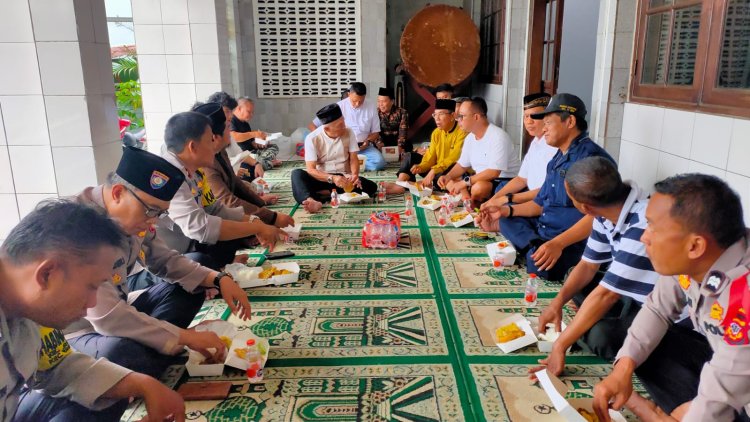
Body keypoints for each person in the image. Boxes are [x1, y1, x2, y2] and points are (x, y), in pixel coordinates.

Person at [64, 146, 252, 381]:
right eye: (150, 211)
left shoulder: (132, 216)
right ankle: (154, 353)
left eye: (159, 214)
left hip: (121, 306)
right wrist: (185, 337)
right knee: (122, 354)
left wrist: (218, 278)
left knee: (194, 277)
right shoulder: (77, 227)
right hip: (79, 331)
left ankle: (156, 350)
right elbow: (108, 317)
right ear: (118, 193)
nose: (152, 221)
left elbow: (165, 260)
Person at [2, 200, 185, 422]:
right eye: (91, 286)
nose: (92, 303)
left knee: (101, 390)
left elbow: (59, 367)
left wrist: (143, 384)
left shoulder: (28, 309)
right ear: (47, 274)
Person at [593, 174, 750, 422]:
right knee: (635, 344)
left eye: (653, 227)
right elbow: (658, 309)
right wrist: (623, 368)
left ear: (695, 246)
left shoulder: (745, 296)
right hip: (730, 363)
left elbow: (730, 382)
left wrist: (703, 408)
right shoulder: (696, 261)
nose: (645, 236)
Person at [528, 157, 663, 379]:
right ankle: (588, 320)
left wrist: (560, 346)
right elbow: (588, 265)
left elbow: (607, 295)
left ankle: (591, 326)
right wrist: (557, 303)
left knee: (601, 336)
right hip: (625, 292)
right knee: (575, 275)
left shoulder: (642, 222)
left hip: (655, 308)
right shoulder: (605, 212)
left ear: (584, 207)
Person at [480, 93, 615, 281]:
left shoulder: (591, 161)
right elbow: (539, 204)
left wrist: (558, 244)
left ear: (570, 122)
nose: (544, 130)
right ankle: (536, 249)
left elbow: (599, 216)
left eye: (549, 123)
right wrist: (504, 211)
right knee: (506, 221)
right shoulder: (558, 157)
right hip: (545, 228)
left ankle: (536, 251)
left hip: (572, 239)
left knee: (540, 268)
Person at [157, 111, 286, 269]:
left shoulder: (194, 171)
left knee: (231, 229)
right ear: (193, 146)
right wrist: (257, 227)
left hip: (190, 243)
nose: (215, 144)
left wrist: (256, 221)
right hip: (167, 257)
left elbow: (214, 208)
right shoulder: (170, 177)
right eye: (210, 140)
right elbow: (200, 228)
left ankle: (219, 266)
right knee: (202, 258)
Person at [193, 102, 294, 229]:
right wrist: (271, 218)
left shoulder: (220, 150)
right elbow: (228, 203)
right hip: (215, 226)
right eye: (228, 127)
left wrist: (260, 201)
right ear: (214, 137)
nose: (230, 132)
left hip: (227, 215)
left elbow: (235, 182)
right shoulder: (205, 165)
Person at [480, 93, 557, 218]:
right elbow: (521, 179)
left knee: (503, 215)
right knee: (497, 199)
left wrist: (506, 199)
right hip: (528, 194)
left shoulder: (555, 147)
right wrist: (492, 200)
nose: (528, 121)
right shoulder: (536, 142)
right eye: (526, 116)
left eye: (534, 116)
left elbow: (545, 192)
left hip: (542, 202)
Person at [437, 96, 521, 209]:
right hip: (480, 179)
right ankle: (469, 201)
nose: (458, 120)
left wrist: (465, 182)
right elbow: (462, 165)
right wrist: (447, 176)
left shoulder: (498, 136)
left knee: (478, 187)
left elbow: (493, 173)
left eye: (461, 116)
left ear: (476, 117)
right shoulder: (470, 138)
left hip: (503, 182)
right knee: (450, 180)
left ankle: (476, 202)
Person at [292, 103, 378, 213]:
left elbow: (353, 158)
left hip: (344, 178)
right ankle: (311, 200)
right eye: (340, 125)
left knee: (371, 187)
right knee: (297, 174)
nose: (344, 126)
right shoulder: (312, 138)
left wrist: (355, 175)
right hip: (322, 177)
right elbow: (311, 170)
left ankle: (324, 194)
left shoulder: (349, 132)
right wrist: (332, 178)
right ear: (327, 128)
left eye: (343, 122)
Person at [389, 99, 467, 194]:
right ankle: (401, 185)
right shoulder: (436, 133)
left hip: (449, 171)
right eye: (435, 115)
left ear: (453, 116)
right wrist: (421, 167)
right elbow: (430, 156)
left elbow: (455, 157)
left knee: (448, 173)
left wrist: (433, 171)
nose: (437, 118)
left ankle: (431, 184)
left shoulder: (462, 132)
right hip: (436, 169)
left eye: (441, 114)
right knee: (410, 156)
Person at [308, 82, 386, 171]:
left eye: (361, 101)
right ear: (349, 94)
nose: (357, 104)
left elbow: (375, 132)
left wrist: (368, 141)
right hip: (342, 147)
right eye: (354, 101)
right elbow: (312, 125)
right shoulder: (338, 107)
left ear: (365, 96)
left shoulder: (371, 107)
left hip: (364, 147)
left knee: (380, 163)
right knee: (329, 162)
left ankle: (350, 164)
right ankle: (354, 163)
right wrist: (324, 141)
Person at [207, 92, 271, 190]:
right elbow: (226, 198)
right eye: (227, 112)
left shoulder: (223, 146)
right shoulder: (207, 155)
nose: (230, 116)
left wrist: (257, 164)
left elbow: (240, 154)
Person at [230, 97, 281, 170]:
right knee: (249, 160)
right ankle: (266, 163)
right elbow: (234, 137)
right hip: (243, 155)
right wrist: (254, 134)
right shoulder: (232, 120)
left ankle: (264, 162)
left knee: (273, 147)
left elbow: (251, 142)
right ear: (239, 108)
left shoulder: (245, 124)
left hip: (252, 152)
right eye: (248, 112)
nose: (251, 115)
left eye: (252, 112)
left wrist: (260, 143)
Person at [376, 87, 410, 155]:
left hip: (396, 140)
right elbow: (375, 131)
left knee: (408, 148)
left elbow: (403, 131)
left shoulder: (402, 112)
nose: (380, 104)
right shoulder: (375, 112)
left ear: (392, 101)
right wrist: (380, 144)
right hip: (382, 141)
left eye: (383, 101)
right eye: (378, 101)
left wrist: (400, 146)